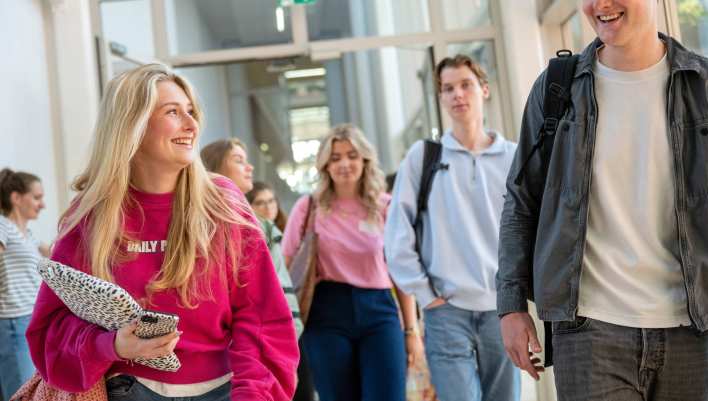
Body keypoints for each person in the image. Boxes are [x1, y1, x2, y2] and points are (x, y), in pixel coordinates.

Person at [25, 64, 299, 401]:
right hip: (128, 390)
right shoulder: (92, 215)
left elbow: (262, 319)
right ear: (133, 126)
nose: (191, 124)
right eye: (173, 112)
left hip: (226, 390)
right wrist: (110, 345)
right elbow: (50, 333)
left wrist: (253, 395)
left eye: (191, 111)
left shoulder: (224, 203)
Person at [498, 1, 708, 400]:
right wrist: (511, 305)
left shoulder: (702, 84)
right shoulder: (558, 86)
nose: (601, 5)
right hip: (591, 329)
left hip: (694, 332)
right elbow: (521, 199)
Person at [385, 55, 519, 401]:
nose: (457, 95)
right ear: (441, 98)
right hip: (447, 313)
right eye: (447, 89)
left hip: (502, 311)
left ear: (484, 90)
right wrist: (427, 296)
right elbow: (398, 236)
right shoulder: (423, 156)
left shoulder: (514, 158)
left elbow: (531, 231)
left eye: (465, 85)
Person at [282, 123, 424, 401]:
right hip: (326, 313)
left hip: (379, 311)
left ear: (365, 160)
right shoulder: (308, 207)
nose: (344, 163)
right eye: (335, 158)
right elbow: (285, 271)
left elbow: (400, 272)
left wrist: (411, 330)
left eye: (352, 155)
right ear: (325, 166)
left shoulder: (386, 206)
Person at [202, 141, 314, 401]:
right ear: (217, 168)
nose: (249, 167)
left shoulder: (259, 223)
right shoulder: (213, 223)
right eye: (239, 160)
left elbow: (279, 289)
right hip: (247, 349)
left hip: (282, 338)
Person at [0, 169, 48, 400]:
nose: (42, 205)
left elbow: (54, 253)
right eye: (37, 197)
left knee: (31, 391)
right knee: (20, 394)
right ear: (16, 198)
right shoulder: (2, 226)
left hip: (31, 319)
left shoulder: (28, 234)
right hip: (12, 322)